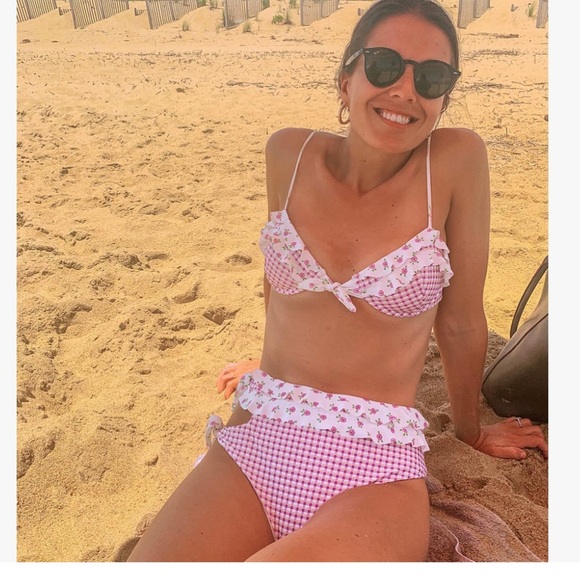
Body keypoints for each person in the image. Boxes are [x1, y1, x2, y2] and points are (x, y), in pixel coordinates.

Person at [127, 0, 548, 562]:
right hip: (260, 433)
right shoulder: (288, 153)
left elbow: (462, 320)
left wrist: (470, 431)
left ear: (444, 98)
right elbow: (279, 287)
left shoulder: (452, 163)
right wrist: (270, 360)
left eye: (431, 77)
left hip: (375, 466)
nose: (405, 90)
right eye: (383, 65)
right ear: (345, 80)